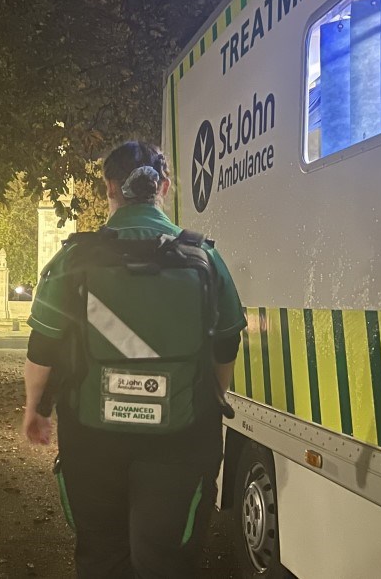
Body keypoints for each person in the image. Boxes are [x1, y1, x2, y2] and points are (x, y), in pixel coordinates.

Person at [22, 141, 246, 578]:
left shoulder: (74, 259)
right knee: (167, 564)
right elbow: (226, 344)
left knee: (101, 557)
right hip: (181, 441)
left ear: (109, 189)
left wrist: (34, 409)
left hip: (92, 440)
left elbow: (42, 348)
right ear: (163, 187)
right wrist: (212, 396)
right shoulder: (204, 258)